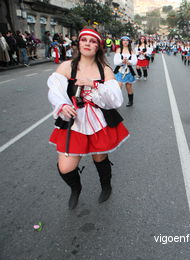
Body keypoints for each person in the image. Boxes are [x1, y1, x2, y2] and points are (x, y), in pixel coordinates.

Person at [47, 27, 130, 209]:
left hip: (99, 120)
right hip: (74, 120)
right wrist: (63, 105)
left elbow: (115, 99)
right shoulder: (66, 66)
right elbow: (55, 91)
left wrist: (93, 84)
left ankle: (106, 186)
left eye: (92, 41)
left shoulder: (104, 69)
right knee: (65, 167)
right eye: (84, 40)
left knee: (100, 157)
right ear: (79, 43)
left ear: (98, 47)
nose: (87, 44)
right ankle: (76, 189)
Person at [113, 36, 138, 107]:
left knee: (128, 87)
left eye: (127, 40)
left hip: (128, 71)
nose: (125, 41)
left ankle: (130, 101)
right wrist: (122, 61)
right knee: (119, 86)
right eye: (123, 40)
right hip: (119, 70)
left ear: (129, 42)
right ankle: (115, 102)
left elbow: (135, 62)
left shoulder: (131, 51)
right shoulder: (118, 50)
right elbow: (115, 62)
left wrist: (129, 62)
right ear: (121, 42)